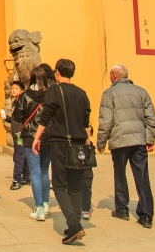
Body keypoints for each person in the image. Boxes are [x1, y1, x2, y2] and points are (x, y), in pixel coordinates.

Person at [32, 58, 91, 245]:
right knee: (75, 186)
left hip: (61, 142)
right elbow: (86, 122)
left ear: (57, 73)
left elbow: (46, 116)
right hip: (79, 144)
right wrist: (88, 141)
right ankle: (76, 224)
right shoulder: (82, 93)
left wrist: (37, 138)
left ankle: (74, 225)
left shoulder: (54, 91)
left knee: (59, 185)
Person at [96, 64, 155, 228]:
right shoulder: (141, 92)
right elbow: (151, 117)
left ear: (114, 76)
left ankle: (122, 209)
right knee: (142, 176)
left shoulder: (109, 93)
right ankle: (146, 215)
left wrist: (101, 141)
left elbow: (106, 120)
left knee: (120, 174)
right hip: (138, 140)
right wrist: (150, 139)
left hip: (119, 140)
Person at [13, 65, 50, 221]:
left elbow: (17, 116)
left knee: (34, 172)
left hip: (29, 137)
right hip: (47, 136)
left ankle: (39, 207)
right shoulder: (51, 94)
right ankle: (47, 203)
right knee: (44, 171)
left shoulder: (25, 96)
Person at [6, 81, 30, 190]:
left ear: (22, 91)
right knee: (22, 156)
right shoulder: (15, 102)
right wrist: (8, 119)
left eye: (16, 88)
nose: (13, 90)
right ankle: (26, 176)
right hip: (17, 133)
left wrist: (21, 130)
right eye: (12, 88)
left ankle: (16, 180)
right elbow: (16, 119)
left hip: (20, 134)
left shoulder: (22, 101)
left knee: (18, 156)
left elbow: (23, 119)